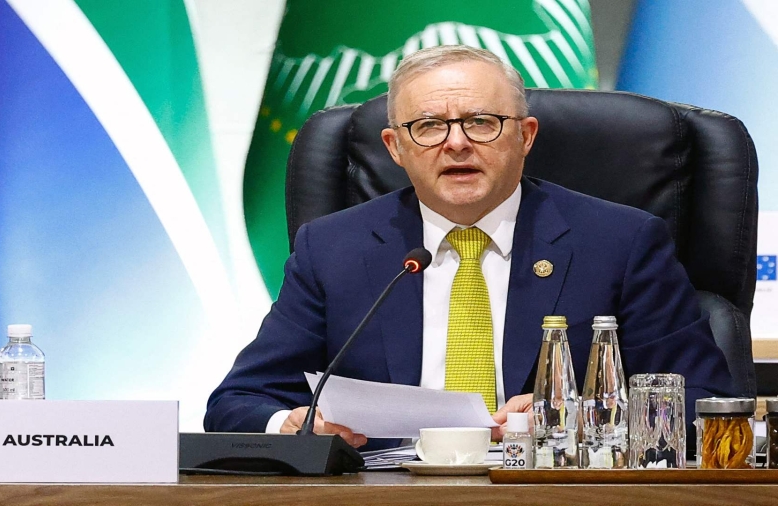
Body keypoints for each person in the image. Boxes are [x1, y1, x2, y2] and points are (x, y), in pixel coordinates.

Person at [204, 45, 734, 451]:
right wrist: (291, 424)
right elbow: (239, 402)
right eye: (428, 126)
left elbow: (700, 400)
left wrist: (578, 418)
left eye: (481, 122)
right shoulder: (332, 248)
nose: (456, 143)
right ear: (395, 147)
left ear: (526, 136)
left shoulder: (620, 243)